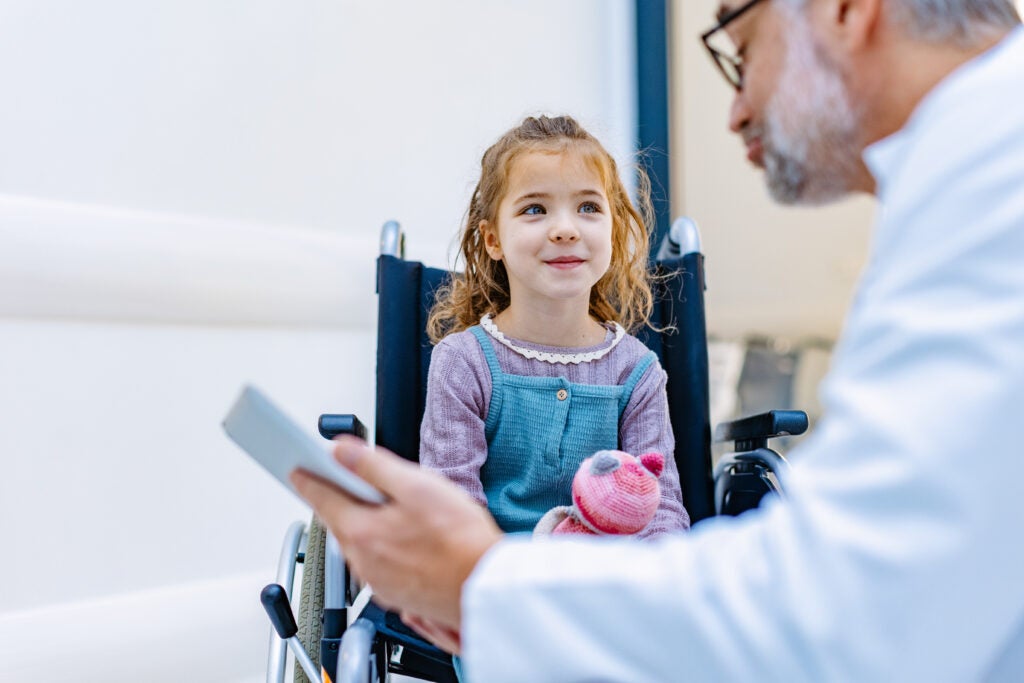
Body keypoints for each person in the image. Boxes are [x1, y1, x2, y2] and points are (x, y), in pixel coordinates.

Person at [292, 0, 1024, 679]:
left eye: (741, 51)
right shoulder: (971, 186)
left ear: (845, 7)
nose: (737, 111)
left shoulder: (989, 203)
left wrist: (480, 583)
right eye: (537, 209)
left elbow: (836, 607)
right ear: (492, 241)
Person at [418, 114, 689, 540]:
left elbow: (661, 511)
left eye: (588, 207)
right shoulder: (464, 363)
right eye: (535, 209)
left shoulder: (636, 372)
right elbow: (451, 510)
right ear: (493, 240)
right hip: (494, 581)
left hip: (608, 585)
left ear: (614, 232)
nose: (565, 229)